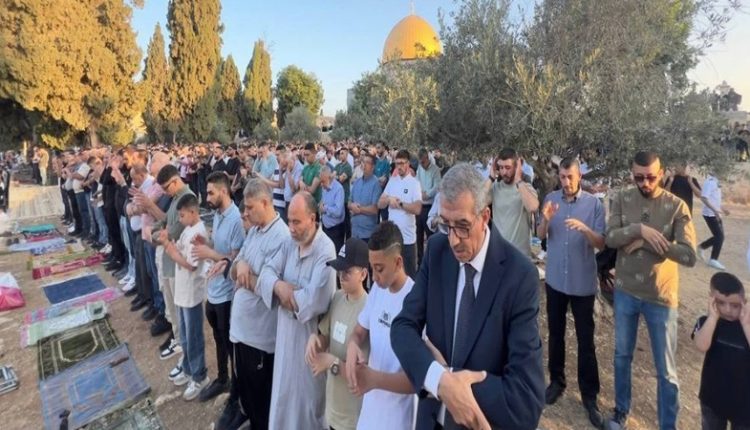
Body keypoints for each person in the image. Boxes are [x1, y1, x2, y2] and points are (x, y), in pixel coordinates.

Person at [391, 163, 545, 429]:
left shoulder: (519, 277)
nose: (453, 240)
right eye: (445, 225)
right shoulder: (437, 251)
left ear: (485, 216)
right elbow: (402, 327)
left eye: (463, 226)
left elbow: (526, 400)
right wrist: (438, 380)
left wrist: (451, 383)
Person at [604, 150, 697, 430]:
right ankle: (621, 410)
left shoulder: (676, 206)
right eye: (638, 177)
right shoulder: (622, 198)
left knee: (665, 369)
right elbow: (610, 238)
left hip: (661, 297)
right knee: (622, 356)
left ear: (662, 173)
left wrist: (647, 243)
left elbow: (689, 255)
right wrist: (639, 229)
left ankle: (667, 424)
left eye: (650, 177)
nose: (644, 183)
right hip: (625, 291)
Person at [209, 178, 290, 430]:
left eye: (250, 207)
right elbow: (235, 269)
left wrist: (246, 273)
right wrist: (241, 267)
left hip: (260, 339)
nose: (245, 213)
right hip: (242, 332)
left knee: (261, 402)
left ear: (265, 203)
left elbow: (271, 288)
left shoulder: (281, 237)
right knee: (247, 395)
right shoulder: (254, 231)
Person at [536, 157, 606, 428]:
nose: (566, 182)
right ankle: (557, 382)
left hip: (582, 284)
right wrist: (545, 220)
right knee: (555, 334)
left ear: (580, 177)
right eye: (562, 177)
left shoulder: (593, 204)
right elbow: (541, 234)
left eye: (570, 177)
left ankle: (589, 395)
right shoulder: (550, 199)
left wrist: (585, 229)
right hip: (555, 281)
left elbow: (601, 243)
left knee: (586, 340)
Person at [257, 192, 336, 429]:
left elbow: (312, 302)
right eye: (289, 221)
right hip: (285, 340)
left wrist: (280, 292)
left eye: (297, 222)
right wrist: (280, 286)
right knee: (283, 402)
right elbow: (265, 273)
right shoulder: (289, 243)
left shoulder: (326, 250)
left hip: (309, 343)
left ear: (312, 218)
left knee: (308, 409)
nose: (291, 228)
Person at [346, 222, 416, 429]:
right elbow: (360, 331)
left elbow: (417, 380)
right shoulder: (377, 290)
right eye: (372, 268)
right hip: (369, 414)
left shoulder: (415, 301)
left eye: (379, 269)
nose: (374, 277)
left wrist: (375, 380)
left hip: (397, 419)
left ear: (398, 262)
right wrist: (352, 345)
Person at [190, 171, 245, 402]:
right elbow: (218, 246)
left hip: (227, 294)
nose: (207, 197)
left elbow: (235, 259)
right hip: (213, 290)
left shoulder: (236, 220)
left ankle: (237, 391)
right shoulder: (218, 214)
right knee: (218, 338)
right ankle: (223, 378)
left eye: (211, 193)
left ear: (224, 191)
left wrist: (209, 253)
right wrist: (206, 243)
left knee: (230, 344)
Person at [307, 238, 370, 430]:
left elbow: (364, 373)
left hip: (354, 416)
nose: (341, 276)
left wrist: (331, 363)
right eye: (340, 271)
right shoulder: (337, 298)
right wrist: (315, 340)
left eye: (348, 272)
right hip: (333, 408)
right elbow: (326, 336)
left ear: (363, 274)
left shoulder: (369, 310)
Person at [162, 193, 210, 400]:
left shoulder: (199, 232)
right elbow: (181, 248)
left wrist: (171, 251)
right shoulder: (188, 228)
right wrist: (173, 246)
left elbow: (191, 265)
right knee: (184, 335)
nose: (180, 220)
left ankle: (200, 376)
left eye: (182, 216)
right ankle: (189, 369)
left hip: (191, 294)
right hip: (182, 292)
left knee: (193, 337)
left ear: (193, 212)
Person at [153, 165, 196, 380]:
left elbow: (175, 230)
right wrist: (157, 232)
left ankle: (187, 360)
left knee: (183, 317)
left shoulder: (187, 198)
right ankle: (181, 348)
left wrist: (160, 235)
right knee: (174, 311)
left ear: (176, 180)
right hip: (170, 262)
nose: (165, 193)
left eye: (166, 188)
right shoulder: (175, 197)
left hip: (179, 264)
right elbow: (165, 222)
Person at [692, 272, 750, 430]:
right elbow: (701, 345)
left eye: (735, 305)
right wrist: (712, 318)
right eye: (721, 303)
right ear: (711, 299)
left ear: (744, 303)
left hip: (745, 405)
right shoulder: (706, 322)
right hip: (712, 399)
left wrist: (746, 324)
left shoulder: (747, 327)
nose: (727, 310)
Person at [377, 149, 422, 278]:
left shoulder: (414, 184)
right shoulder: (392, 181)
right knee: (393, 276)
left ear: (408, 164)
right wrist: (388, 200)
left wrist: (400, 204)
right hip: (392, 239)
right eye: (397, 163)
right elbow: (380, 203)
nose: (399, 166)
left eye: (402, 163)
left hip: (407, 240)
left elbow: (417, 209)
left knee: (409, 276)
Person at [487, 148, 539, 256]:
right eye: (501, 167)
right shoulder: (495, 188)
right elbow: (478, 203)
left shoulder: (525, 188)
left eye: (508, 167)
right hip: (498, 252)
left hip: (520, 255)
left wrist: (518, 181)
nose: (504, 172)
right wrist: (491, 177)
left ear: (516, 167)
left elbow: (533, 207)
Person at [698, 172, 730, 270]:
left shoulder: (716, 182)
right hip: (710, 214)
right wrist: (714, 210)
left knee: (719, 236)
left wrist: (722, 209)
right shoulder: (710, 182)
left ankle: (701, 247)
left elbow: (714, 199)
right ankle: (713, 259)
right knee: (720, 236)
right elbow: (704, 198)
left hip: (716, 213)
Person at [416, 148, 441, 265]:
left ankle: (431, 261)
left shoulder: (435, 170)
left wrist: (427, 194)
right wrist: (419, 192)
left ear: (427, 158)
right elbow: (417, 181)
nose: (422, 164)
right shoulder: (419, 169)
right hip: (420, 205)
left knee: (430, 235)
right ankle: (420, 261)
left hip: (430, 206)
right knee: (419, 235)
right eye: (420, 162)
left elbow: (437, 186)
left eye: (423, 162)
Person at [349, 153, 382, 242]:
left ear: (373, 167)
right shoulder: (357, 182)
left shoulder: (376, 184)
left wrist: (358, 209)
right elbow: (349, 202)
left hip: (367, 234)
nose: (364, 164)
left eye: (367, 162)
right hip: (354, 231)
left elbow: (374, 209)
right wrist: (352, 206)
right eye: (363, 162)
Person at [320, 165, 346, 253]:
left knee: (335, 255)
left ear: (329, 178)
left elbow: (338, 212)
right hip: (325, 228)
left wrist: (325, 209)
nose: (321, 184)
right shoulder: (324, 187)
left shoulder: (338, 189)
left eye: (323, 181)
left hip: (336, 231)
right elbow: (323, 203)